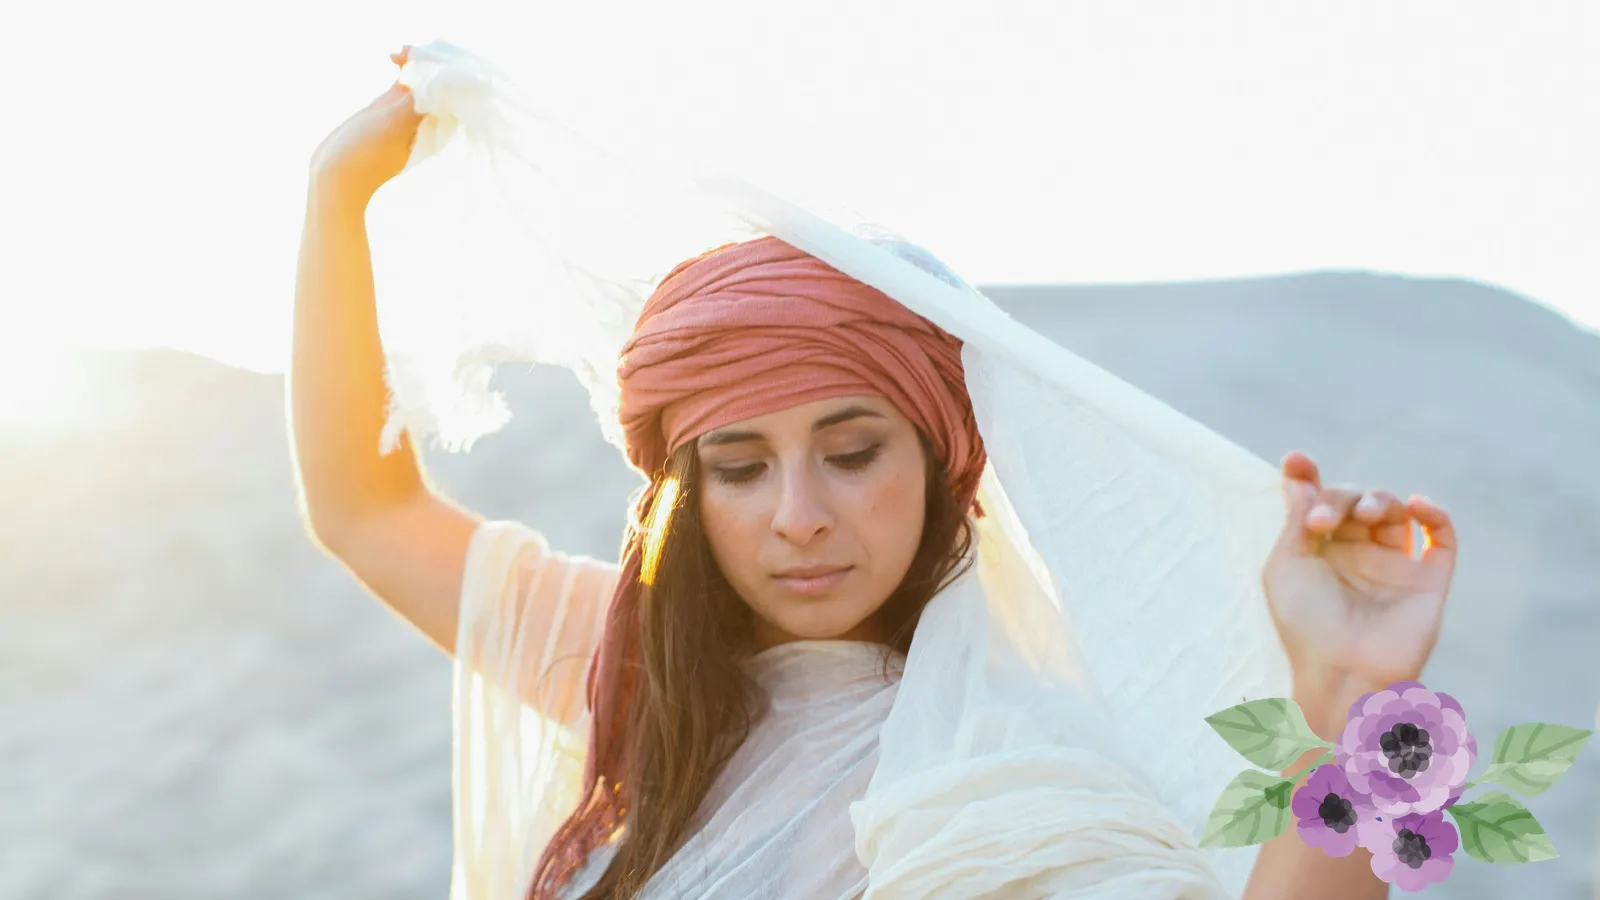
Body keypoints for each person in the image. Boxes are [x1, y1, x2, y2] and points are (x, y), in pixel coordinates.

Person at [292, 47, 1459, 899]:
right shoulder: (638, 684)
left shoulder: (1009, 773)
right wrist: (335, 199)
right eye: (739, 468)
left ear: (944, 461)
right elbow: (365, 510)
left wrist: (1349, 689)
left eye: (852, 453)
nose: (798, 517)